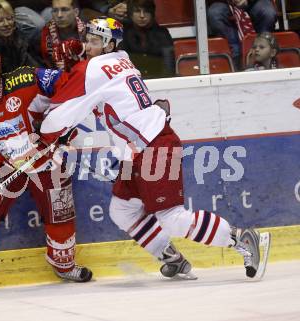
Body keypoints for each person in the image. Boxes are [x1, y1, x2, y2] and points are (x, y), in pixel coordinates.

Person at [39, 17, 269, 279]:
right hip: (139, 149)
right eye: (87, 40)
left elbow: (57, 116)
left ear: (110, 44)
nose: (87, 46)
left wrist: (46, 135)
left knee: (172, 218)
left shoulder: (93, 69)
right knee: (122, 209)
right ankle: (172, 258)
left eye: (94, 41)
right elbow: (93, 100)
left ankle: (241, 238)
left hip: (154, 145)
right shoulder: (120, 58)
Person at [0, 46, 92, 292]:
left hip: (47, 159)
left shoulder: (26, 79)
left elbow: (70, 85)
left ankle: (64, 265)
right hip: (6, 167)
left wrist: (61, 123)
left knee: (60, 214)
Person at [207, 0, 277, 69]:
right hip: (223, 2)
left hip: (254, 2)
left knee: (268, 12)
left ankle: (263, 52)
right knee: (215, 13)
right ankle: (235, 53)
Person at [122, 0, 174, 76]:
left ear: (152, 14)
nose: (142, 16)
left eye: (146, 12)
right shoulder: (124, 33)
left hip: (158, 78)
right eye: (137, 11)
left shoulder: (162, 32)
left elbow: (168, 62)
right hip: (132, 79)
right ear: (131, 14)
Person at [40, 0, 86, 69]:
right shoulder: (46, 32)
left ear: (76, 12)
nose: (59, 15)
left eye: (64, 10)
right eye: (55, 10)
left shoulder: (87, 30)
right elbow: (47, 63)